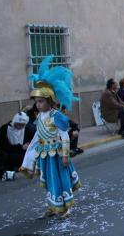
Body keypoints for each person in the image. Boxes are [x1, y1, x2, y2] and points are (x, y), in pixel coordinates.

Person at [21, 55, 81, 218]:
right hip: (45, 155)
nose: (38, 104)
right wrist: (30, 158)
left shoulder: (57, 116)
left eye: (41, 101)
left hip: (58, 154)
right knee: (48, 181)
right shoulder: (39, 117)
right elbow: (37, 138)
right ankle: (53, 206)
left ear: (50, 101)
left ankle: (66, 206)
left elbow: (66, 137)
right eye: (37, 101)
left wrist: (65, 155)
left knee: (60, 179)